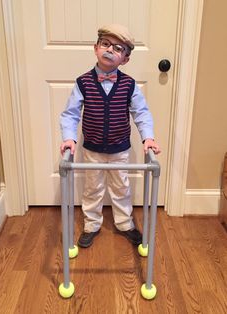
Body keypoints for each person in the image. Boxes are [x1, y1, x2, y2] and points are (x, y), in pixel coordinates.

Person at [60, 24, 160, 248]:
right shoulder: (83, 82)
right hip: (92, 149)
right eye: (105, 44)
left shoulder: (129, 85)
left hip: (120, 149)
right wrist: (69, 137)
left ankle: (124, 223)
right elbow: (70, 113)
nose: (109, 50)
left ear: (125, 59)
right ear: (95, 48)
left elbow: (141, 113)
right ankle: (92, 224)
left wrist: (148, 137)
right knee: (92, 187)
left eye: (118, 48)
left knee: (120, 186)